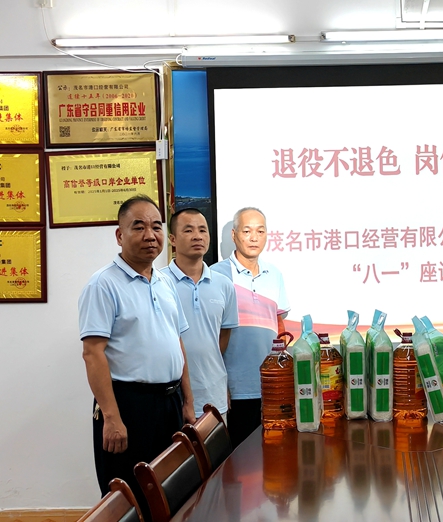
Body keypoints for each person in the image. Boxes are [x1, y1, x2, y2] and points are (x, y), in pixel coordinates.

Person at [78, 195, 195, 510]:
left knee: (171, 493)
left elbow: (176, 342)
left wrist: (188, 401)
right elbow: (92, 353)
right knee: (128, 498)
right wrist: (112, 417)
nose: (150, 235)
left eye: (156, 227)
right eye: (139, 227)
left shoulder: (165, 282)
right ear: (120, 235)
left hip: (170, 403)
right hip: (129, 406)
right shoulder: (103, 285)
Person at [211, 207, 290, 447]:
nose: (254, 237)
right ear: (234, 235)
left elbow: (279, 325)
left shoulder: (274, 274)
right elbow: (211, 336)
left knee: (276, 455)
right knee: (241, 461)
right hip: (235, 390)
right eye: (247, 231)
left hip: (271, 387)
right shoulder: (216, 275)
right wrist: (220, 385)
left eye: (260, 231)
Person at [161, 208, 239, 420]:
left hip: (213, 394)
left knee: (214, 443)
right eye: (188, 230)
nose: (197, 236)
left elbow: (222, 337)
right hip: (172, 396)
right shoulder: (158, 283)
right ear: (172, 239)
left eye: (202, 230)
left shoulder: (224, 285)